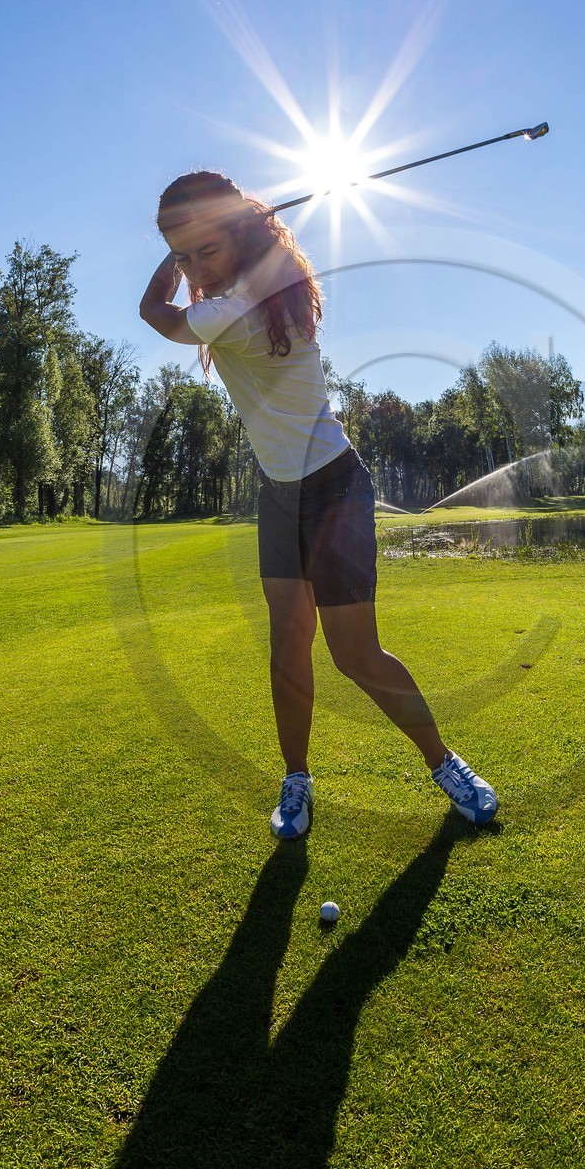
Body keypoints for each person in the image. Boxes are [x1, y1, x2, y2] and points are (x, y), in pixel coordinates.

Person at [139, 169, 498, 840]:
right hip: (279, 492)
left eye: (202, 252)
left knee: (355, 655)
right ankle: (296, 780)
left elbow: (154, 316)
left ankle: (445, 764)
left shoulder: (235, 309)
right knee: (287, 646)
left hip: (332, 486)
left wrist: (168, 261)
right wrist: (200, 243)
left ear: (240, 239)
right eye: (181, 256)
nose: (192, 268)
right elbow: (219, 274)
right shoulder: (253, 279)